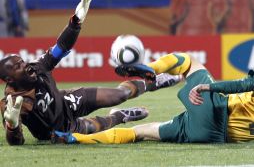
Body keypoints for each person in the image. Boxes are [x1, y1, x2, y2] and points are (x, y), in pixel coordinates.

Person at [0, 0, 171, 145]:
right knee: (97, 126)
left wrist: (75, 23)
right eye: (18, 66)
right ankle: (119, 116)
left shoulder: (38, 67)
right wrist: (12, 125)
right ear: (9, 79)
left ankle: (152, 82)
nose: (26, 65)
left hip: (67, 102)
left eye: (22, 61)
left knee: (120, 94)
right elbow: (17, 142)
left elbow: (61, 47)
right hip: (60, 130)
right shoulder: (11, 104)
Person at [52, 52, 254, 144]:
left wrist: (209, 86)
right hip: (214, 138)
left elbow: (243, 84)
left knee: (189, 62)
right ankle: (74, 138)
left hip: (215, 111)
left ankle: (151, 71)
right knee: (140, 132)